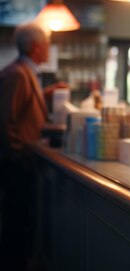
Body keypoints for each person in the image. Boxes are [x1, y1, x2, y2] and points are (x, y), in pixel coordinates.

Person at [0, 21, 66, 270]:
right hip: (17, 163)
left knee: (20, 221)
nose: (49, 49)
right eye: (47, 44)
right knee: (16, 224)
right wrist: (18, 153)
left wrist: (47, 93)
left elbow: (24, 104)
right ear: (37, 47)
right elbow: (5, 119)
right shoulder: (19, 73)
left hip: (21, 161)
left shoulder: (24, 72)